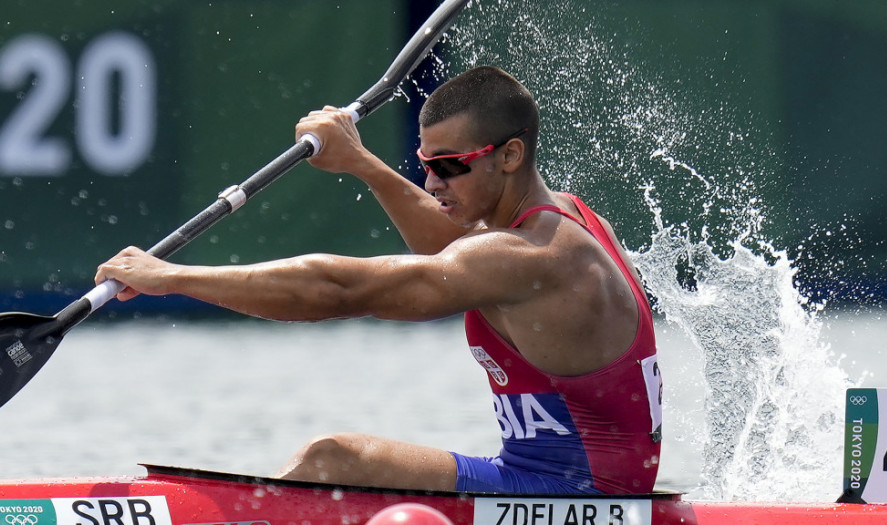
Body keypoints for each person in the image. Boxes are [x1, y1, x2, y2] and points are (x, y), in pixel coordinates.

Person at [94, 66, 662, 495]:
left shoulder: (536, 258)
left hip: (576, 499)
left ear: (509, 156)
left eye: (448, 166)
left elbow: (343, 290)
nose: (432, 182)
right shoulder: (568, 221)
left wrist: (171, 277)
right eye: (424, 162)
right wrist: (362, 162)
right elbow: (452, 247)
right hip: (565, 486)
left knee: (336, 460)